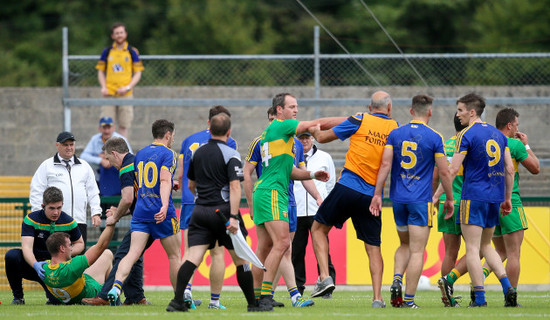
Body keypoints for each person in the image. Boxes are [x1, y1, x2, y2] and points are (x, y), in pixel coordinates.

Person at [436, 107, 540, 307]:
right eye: (516, 124)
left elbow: (445, 171)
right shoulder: (510, 144)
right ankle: (509, 293)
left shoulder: (459, 142)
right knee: (507, 252)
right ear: (509, 125)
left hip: (467, 199)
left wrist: (437, 196)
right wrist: (526, 146)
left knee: (475, 250)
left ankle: (456, 286)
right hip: (499, 201)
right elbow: (532, 168)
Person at [166, 114, 267, 312]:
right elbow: (235, 188)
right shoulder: (231, 154)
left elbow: (191, 184)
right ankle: (253, 304)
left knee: (192, 256)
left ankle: (177, 301)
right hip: (223, 212)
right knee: (241, 260)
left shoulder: (197, 153)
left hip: (200, 210)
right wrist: (234, 217)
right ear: (229, 132)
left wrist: (202, 199)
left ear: (209, 130)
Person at [252, 93, 344, 311]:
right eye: (292, 106)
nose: (296, 110)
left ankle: (255, 297)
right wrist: (350, 120)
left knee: (265, 248)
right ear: (279, 110)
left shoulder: (271, 134)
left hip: (266, 191)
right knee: (283, 244)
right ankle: (266, 295)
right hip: (273, 192)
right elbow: (315, 125)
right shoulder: (283, 126)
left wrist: (312, 175)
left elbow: (290, 171)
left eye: (296, 107)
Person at [309, 91, 399, 308]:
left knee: (318, 229)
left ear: (370, 107)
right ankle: (377, 298)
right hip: (371, 196)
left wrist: (311, 128)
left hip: (348, 186)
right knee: (373, 247)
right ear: (389, 108)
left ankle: (324, 277)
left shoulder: (359, 119)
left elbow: (321, 138)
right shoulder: (395, 128)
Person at [369, 95, 454, 308]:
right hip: (420, 200)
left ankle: (397, 278)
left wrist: (377, 194)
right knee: (417, 249)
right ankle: (408, 299)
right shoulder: (435, 137)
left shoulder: (395, 134)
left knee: (404, 244)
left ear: (410, 111)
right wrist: (449, 198)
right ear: (430, 112)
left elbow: (385, 165)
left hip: (398, 199)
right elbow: (444, 171)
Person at [244, 105, 322, 308]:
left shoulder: (295, 143)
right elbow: (246, 172)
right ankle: (287, 295)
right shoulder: (259, 141)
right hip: (271, 195)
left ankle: (261, 297)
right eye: (270, 119)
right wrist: (250, 205)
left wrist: (317, 195)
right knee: (281, 246)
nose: (272, 123)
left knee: (277, 248)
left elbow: (297, 172)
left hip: (288, 198)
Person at [107, 119, 181, 306]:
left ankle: (116, 287)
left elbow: (144, 182)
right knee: (174, 256)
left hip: (141, 212)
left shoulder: (140, 154)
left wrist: (170, 184)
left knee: (131, 254)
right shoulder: (169, 154)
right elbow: (163, 180)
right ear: (168, 135)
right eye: (173, 135)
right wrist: (164, 205)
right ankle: (180, 296)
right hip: (160, 212)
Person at [81, 137, 153, 306]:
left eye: (108, 158)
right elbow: (135, 201)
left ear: (114, 153)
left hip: (146, 219)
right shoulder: (137, 162)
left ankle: (105, 296)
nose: (109, 162)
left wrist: (115, 216)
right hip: (154, 215)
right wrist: (119, 210)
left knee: (123, 254)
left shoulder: (126, 167)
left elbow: (127, 199)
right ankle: (136, 297)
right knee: (136, 255)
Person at [177, 105, 237, 309]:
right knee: (217, 253)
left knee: (189, 250)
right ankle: (214, 301)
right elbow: (231, 178)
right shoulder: (230, 142)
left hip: (190, 201)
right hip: (217, 205)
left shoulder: (188, 140)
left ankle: (185, 292)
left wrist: (190, 194)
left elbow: (182, 175)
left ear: (208, 123)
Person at [5, 186, 84, 305]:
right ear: (43, 206)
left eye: (59, 207)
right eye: (51, 208)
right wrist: (35, 265)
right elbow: (26, 248)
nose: (56, 212)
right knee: (12, 256)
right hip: (33, 265)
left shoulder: (69, 222)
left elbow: (80, 243)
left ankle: (53, 296)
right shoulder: (31, 219)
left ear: (62, 204)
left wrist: (65, 254)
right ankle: (18, 298)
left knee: (57, 302)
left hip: (54, 269)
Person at [30, 131, 102, 244]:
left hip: (79, 222)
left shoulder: (85, 167)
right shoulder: (47, 166)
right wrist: (39, 216)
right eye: (65, 145)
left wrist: (96, 212)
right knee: (57, 256)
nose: (69, 148)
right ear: (57, 145)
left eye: (71, 144)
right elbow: (36, 191)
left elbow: (93, 192)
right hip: (55, 222)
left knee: (78, 257)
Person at [292, 132, 337, 297]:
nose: (304, 141)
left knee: (323, 248)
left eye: (307, 138)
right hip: (296, 209)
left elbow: (330, 183)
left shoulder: (325, 157)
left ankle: (327, 283)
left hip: (317, 210)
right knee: (296, 251)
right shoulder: (291, 154)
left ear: (312, 139)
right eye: (301, 138)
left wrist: (326, 203)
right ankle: (297, 287)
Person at [42, 221, 117, 304]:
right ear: (62, 248)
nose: (71, 248)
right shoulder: (72, 267)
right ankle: (107, 297)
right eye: (70, 245)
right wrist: (112, 222)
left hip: (75, 290)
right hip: (91, 292)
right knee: (107, 253)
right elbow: (101, 245)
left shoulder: (43, 268)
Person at [96, 22, 144, 138]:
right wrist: (104, 87)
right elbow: (100, 71)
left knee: (124, 125)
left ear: (126, 34)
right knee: (106, 125)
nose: (119, 35)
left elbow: (138, 73)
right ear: (112, 36)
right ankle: (107, 153)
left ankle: (122, 153)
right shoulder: (107, 52)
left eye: (121, 32)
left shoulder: (132, 51)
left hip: (125, 94)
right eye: (116, 33)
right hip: (109, 94)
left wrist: (128, 87)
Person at [80, 116, 133, 199]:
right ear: (99, 128)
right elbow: (83, 156)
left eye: (109, 127)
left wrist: (111, 159)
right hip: (100, 178)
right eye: (104, 128)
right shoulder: (95, 139)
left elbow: (130, 157)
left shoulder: (121, 139)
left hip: (118, 176)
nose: (107, 131)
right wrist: (101, 160)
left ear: (114, 128)